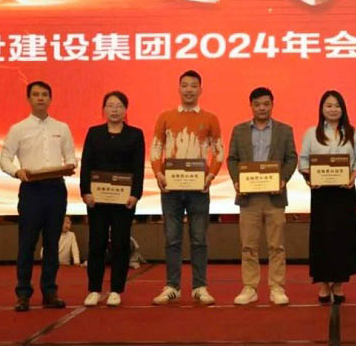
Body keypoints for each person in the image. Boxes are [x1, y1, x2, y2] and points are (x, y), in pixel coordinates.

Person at [0, 80, 76, 312]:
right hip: (31, 189)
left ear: (50, 99)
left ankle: (50, 292)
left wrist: (70, 165)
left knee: (52, 243)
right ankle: (23, 293)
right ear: (29, 99)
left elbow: (71, 157)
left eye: (44, 94)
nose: (40, 98)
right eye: (36, 94)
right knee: (27, 244)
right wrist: (16, 172)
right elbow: (4, 159)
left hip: (56, 189)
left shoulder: (62, 128)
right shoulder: (18, 129)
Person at [150, 70, 224, 305]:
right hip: (170, 190)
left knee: (199, 239)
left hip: (199, 190)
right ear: (179, 88)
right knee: (172, 239)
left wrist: (210, 176)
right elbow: (156, 149)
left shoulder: (210, 118)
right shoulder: (166, 117)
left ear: (201, 89)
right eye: (185, 85)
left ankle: (199, 286)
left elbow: (219, 151)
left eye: (193, 86)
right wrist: (159, 174)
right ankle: (172, 286)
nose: (189, 89)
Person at [227, 87, 298, 306]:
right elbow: (232, 159)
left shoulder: (284, 130)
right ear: (251, 106)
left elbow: (291, 158)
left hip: (274, 196)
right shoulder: (239, 130)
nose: (262, 108)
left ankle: (277, 287)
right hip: (248, 197)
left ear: (272, 105)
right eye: (257, 104)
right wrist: (237, 181)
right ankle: (250, 287)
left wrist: (283, 179)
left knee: (277, 245)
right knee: (248, 246)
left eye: (266, 104)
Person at [299, 90, 356, 303]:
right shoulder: (311, 133)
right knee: (322, 237)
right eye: (328, 105)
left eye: (337, 105)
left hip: (344, 193)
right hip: (321, 194)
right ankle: (322, 283)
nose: (333, 109)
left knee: (342, 238)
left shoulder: (352, 133)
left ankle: (338, 283)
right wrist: (310, 178)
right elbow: (303, 161)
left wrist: (353, 176)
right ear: (321, 109)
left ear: (343, 109)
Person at [80, 91, 145, 307]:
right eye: (110, 105)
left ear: (126, 110)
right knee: (97, 243)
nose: (114, 110)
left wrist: (135, 194)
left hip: (123, 200)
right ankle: (94, 289)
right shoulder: (94, 133)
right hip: (97, 199)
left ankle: (116, 289)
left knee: (120, 243)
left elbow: (138, 167)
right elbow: (86, 164)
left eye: (119, 106)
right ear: (104, 109)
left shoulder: (135, 135)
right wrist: (85, 191)